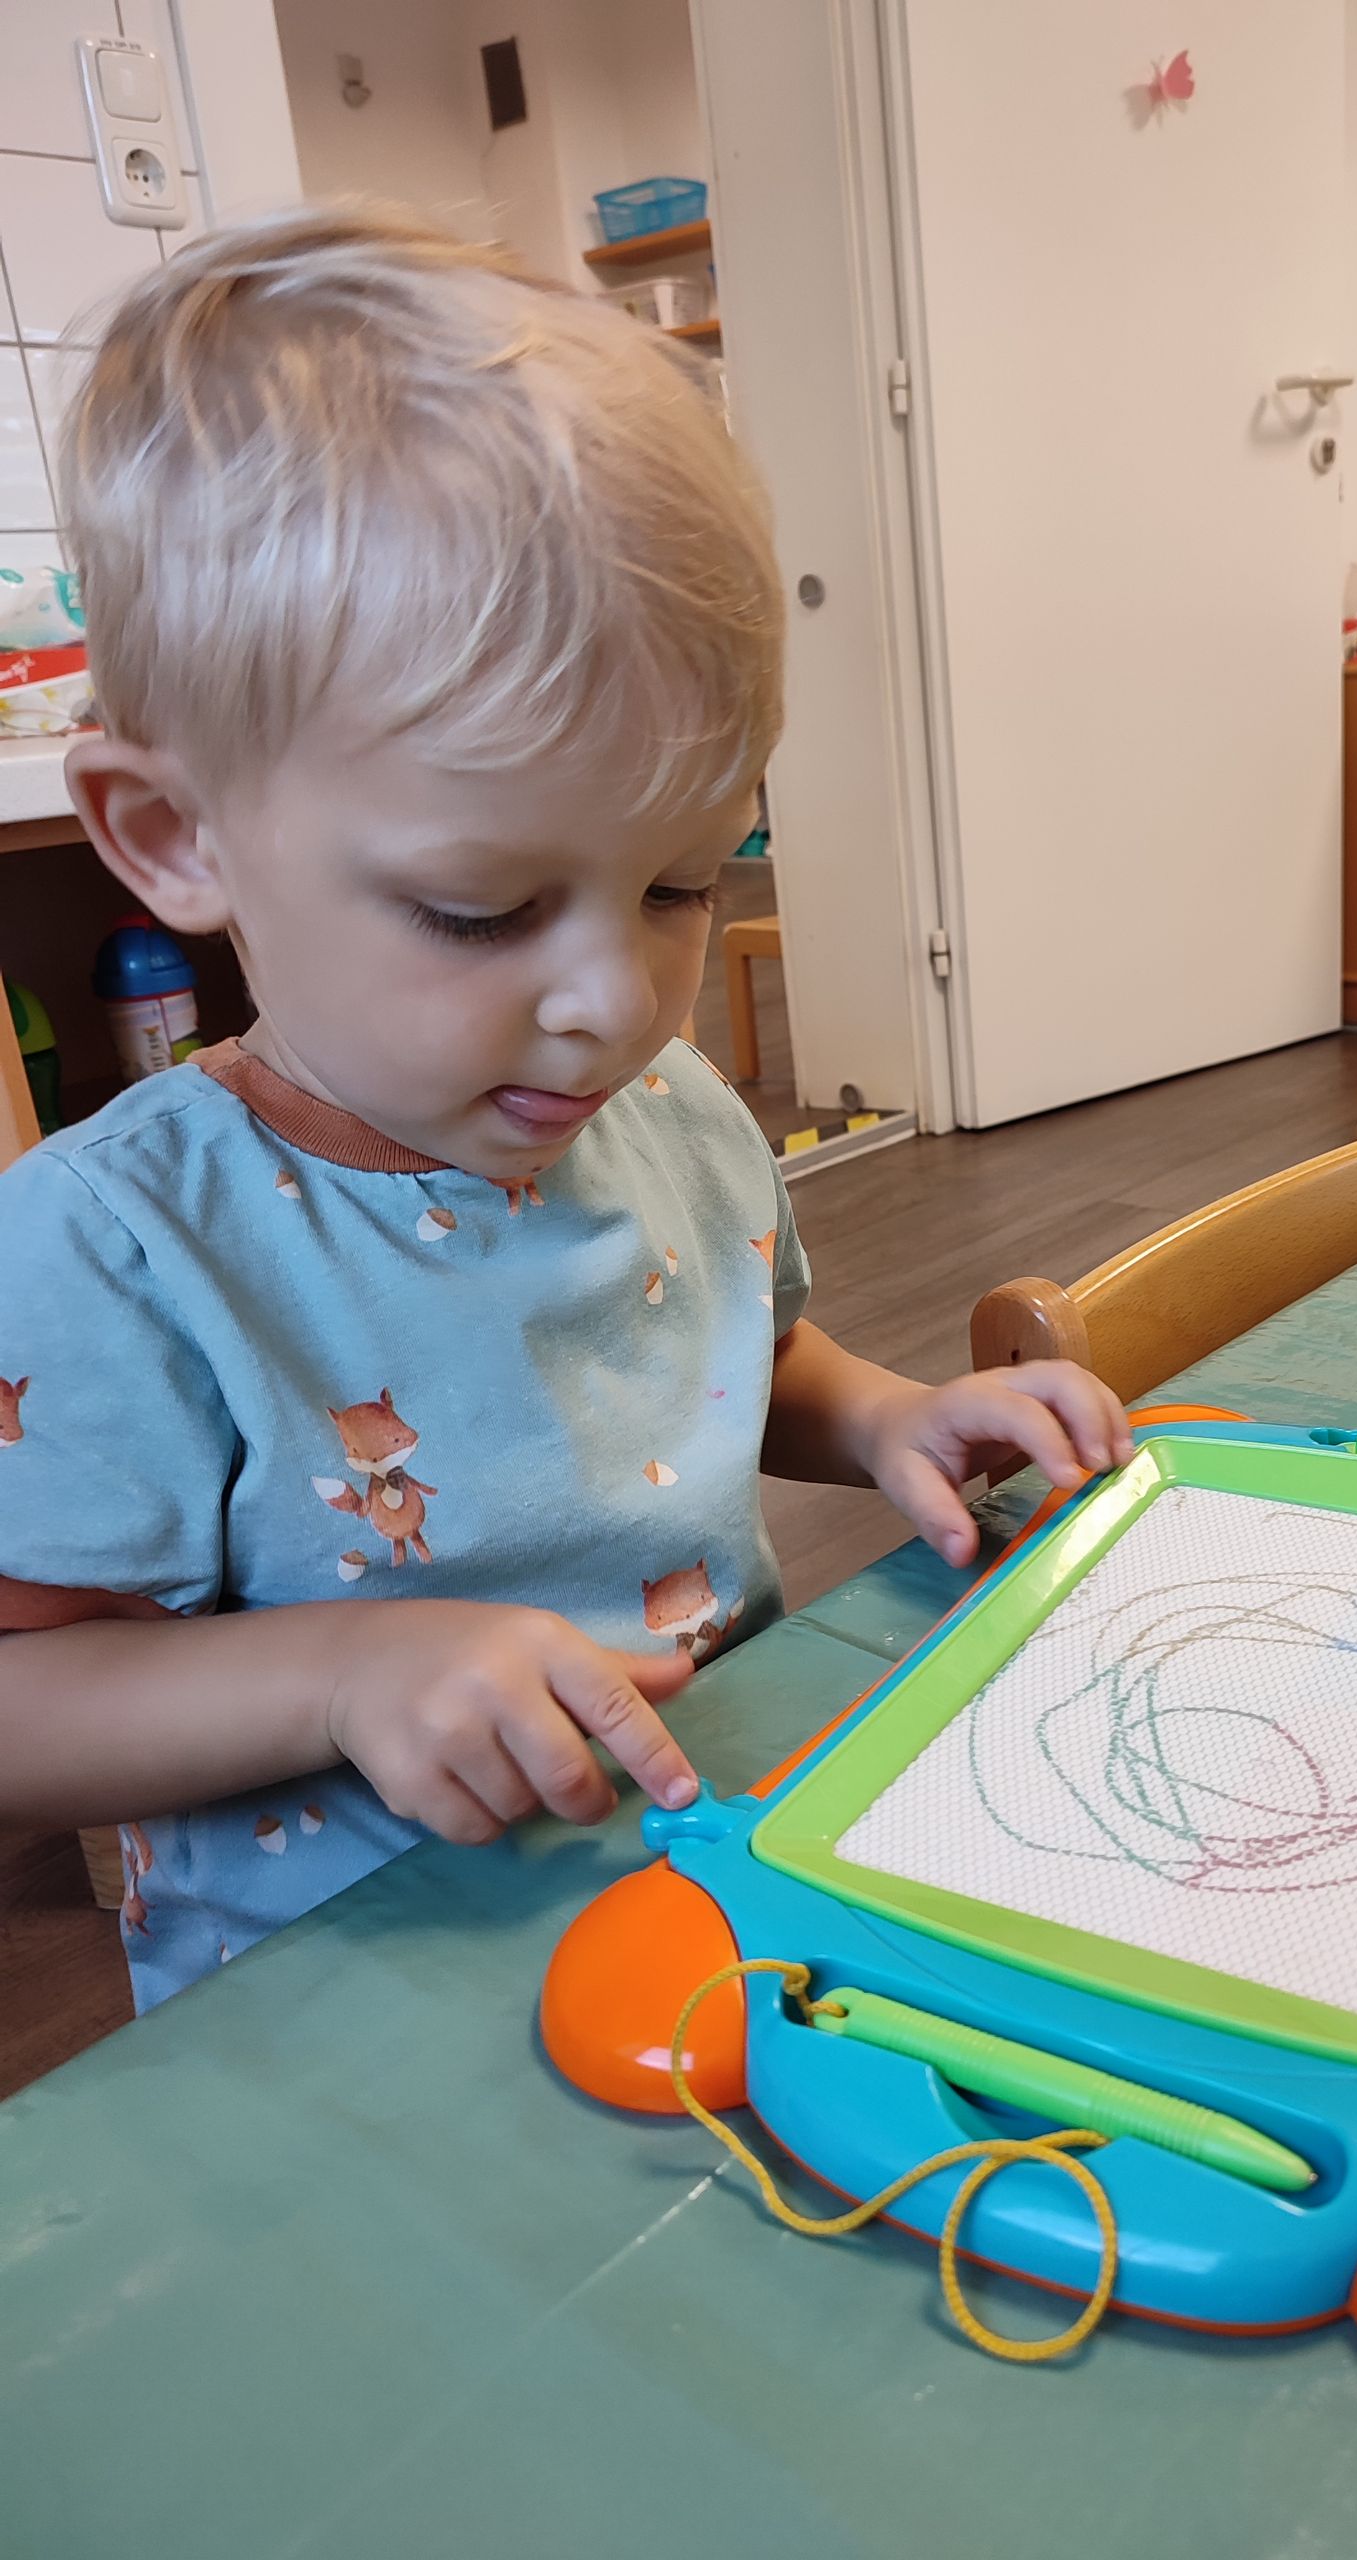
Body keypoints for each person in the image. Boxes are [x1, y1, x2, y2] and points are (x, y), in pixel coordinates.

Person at [0, 208, 1130, 2009]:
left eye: (683, 882)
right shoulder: (114, 1250)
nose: (616, 1000)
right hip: (350, 2018)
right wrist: (340, 1677)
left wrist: (887, 1415)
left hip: (720, 1887)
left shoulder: (658, 1104)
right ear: (174, 836)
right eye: (482, 909)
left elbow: (738, 1359)